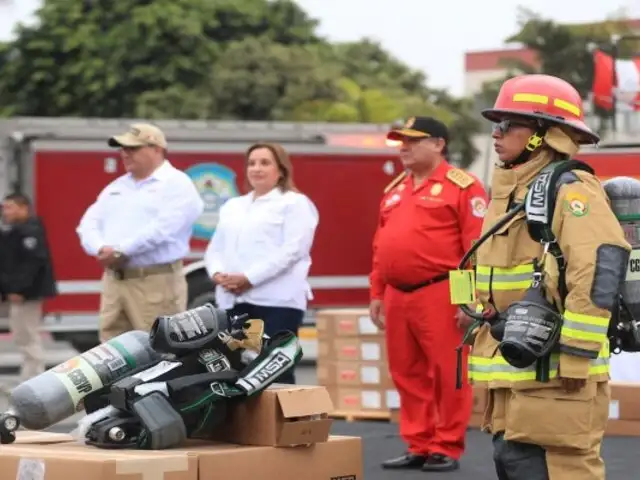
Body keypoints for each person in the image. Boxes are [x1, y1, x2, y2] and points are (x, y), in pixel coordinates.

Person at [464, 74, 630, 479]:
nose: (496, 134)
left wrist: (576, 353)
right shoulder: (513, 191)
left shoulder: (572, 189)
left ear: (545, 135)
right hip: (521, 366)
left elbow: (597, 268)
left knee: (559, 469)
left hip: (558, 372)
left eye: (510, 124)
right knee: (516, 462)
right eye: (496, 124)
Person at [369, 116, 489, 472]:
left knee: (448, 373)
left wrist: (468, 299)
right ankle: (418, 443)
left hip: (441, 291)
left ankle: (446, 445)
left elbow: (475, 248)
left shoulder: (463, 186)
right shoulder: (394, 190)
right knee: (406, 374)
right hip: (398, 295)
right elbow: (380, 246)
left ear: (438, 144)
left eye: (412, 140)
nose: (403, 147)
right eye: (400, 141)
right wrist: (377, 292)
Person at [76, 123, 205, 342]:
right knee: (112, 351)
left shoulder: (177, 184)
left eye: (132, 148)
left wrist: (120, 250)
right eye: (122, 149)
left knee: (158, 349)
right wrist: (100, 248)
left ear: (157, 149)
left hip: (155, 280)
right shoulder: (117, 186)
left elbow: (165, 228)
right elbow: (88, 223)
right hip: (115, 280)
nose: (124, 154)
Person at [204, 142, 319, 384]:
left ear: (281, 170)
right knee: (232, 371)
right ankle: (244, 423)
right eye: (252, 163)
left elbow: (293, 250)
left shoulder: (295, 204)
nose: (256, 168)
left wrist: (249, 278)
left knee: (274, 371)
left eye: (265, 163)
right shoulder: (234, 206)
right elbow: (215, 247)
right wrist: (218, 274)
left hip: (277, 302)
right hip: (234, 301)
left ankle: (278, 422)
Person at [0, 193, 57, 381]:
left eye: (10, 207)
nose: (5, 211)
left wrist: (19, 289)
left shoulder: (30, 232)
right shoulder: (15, 231)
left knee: (28, 337)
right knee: (22, 337)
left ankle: (35, 378)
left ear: (24, 208)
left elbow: (32, 265)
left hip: (26, 295)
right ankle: (28, 377)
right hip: (17, 294)